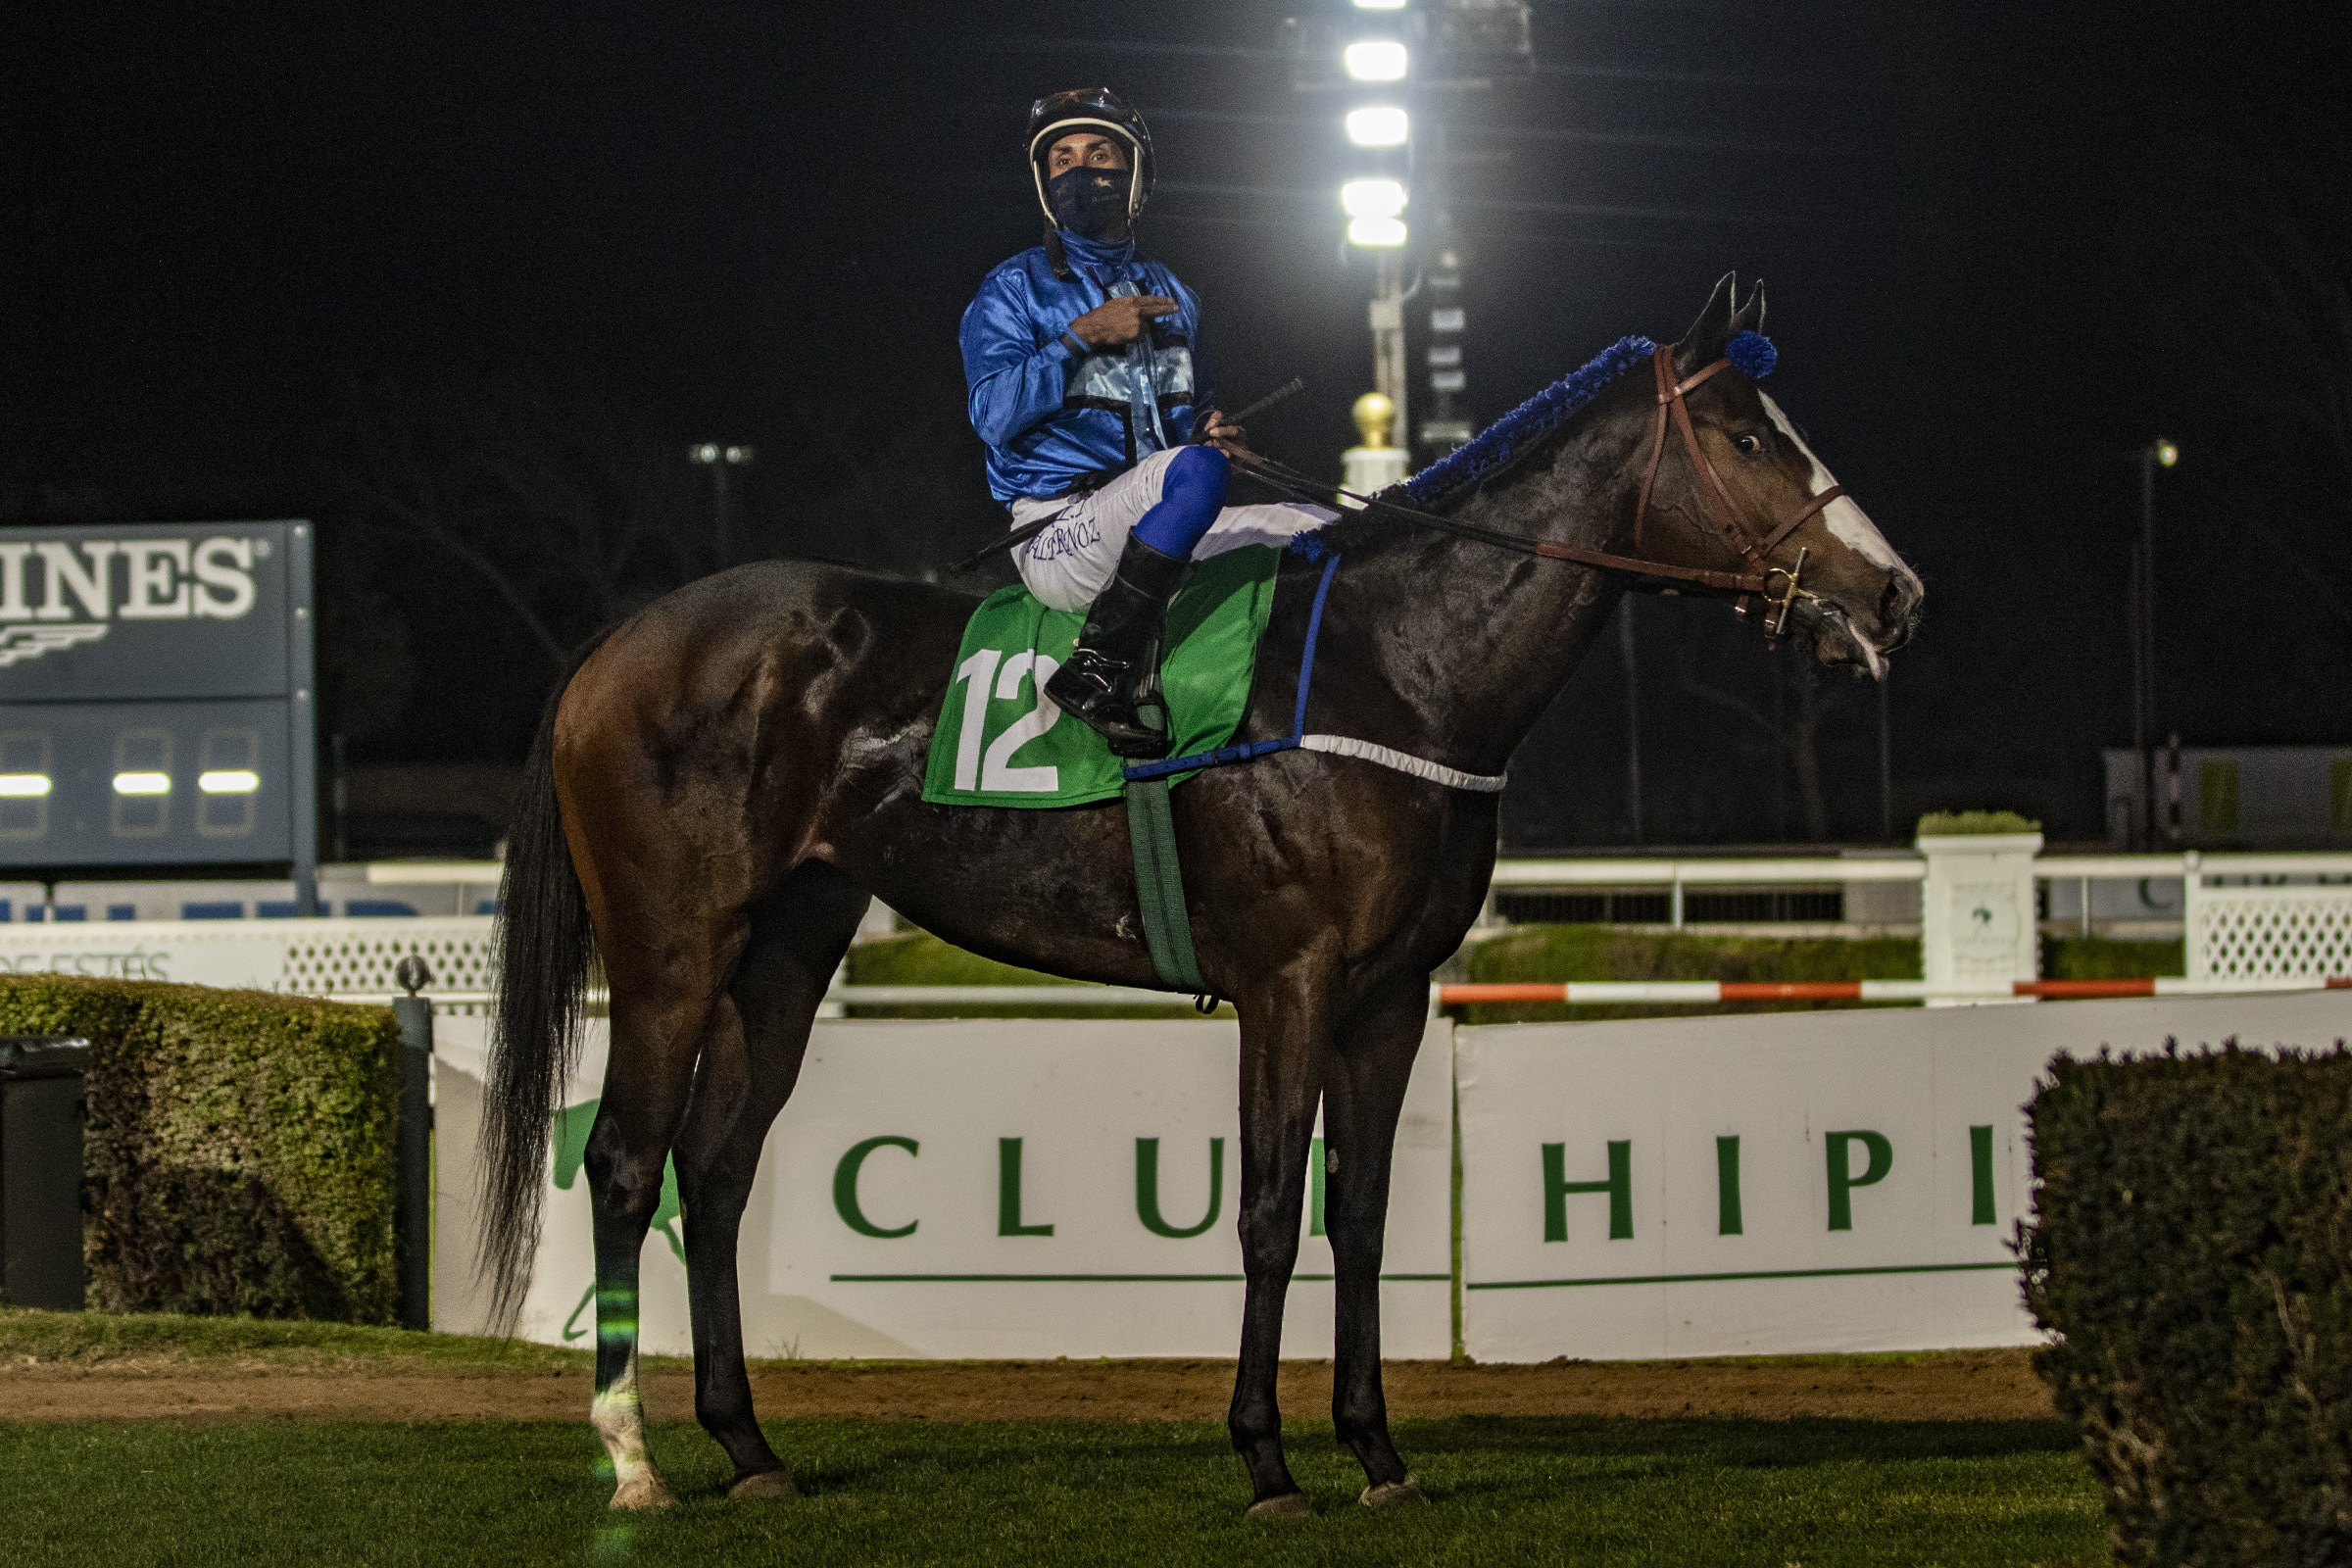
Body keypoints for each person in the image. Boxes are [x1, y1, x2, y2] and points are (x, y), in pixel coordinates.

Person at [959, 87, 1331, 759]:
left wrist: (1214, 432)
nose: (1080, 171)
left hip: (1152, 516)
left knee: (1327, 525)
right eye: (1063, 160)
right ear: (1044, 184)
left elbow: (1189, 419)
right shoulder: (1012, 288)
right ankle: (1096, 668)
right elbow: (991, 415)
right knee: (1192, 471)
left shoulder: (1175, 292)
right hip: (1057, 531)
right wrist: (1080, 337)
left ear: (1134, 178)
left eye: (1100, 155)